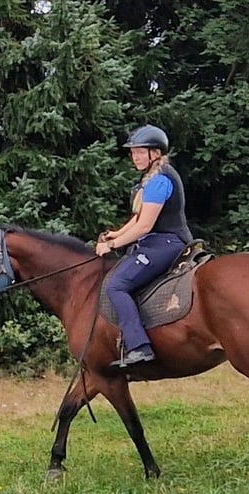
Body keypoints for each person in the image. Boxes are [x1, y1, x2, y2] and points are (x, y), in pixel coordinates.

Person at [96, 124, 193, 367]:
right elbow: (138, 218)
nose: (135, 157)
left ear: (156, 153)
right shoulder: (150, 178)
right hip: (157, 241)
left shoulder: (160, 180)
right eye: (133, 153)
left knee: (117, 285)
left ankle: (140, 347)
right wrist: (116, 234)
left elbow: (144, 227)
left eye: (141, 152)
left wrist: (112, 246)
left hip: (166, 243)